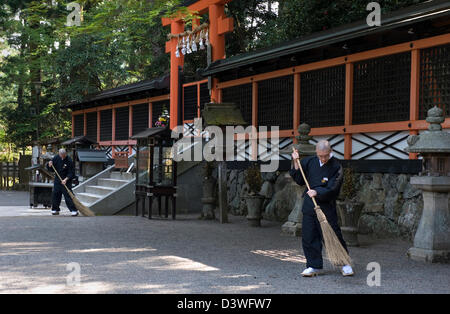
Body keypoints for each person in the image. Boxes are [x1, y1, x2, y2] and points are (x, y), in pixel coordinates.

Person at [290, 140, 353, 277]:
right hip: (310, 206)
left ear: (330, 152)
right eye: (320, 156)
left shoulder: (336, 166)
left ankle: (344, 263)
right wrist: (295, 162)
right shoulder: (310, 162)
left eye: (325, 155)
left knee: (333, 234)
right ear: (316, 153)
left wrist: (317, 192)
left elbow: (334, 187)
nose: (323, 158)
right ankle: (314, 265)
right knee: (309, 236)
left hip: (326, 206)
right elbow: (300, 180)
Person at [47, 148, 78, 216]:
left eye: (63, 155)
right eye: (61, 155)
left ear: (65, 154)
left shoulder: (69, 160)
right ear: (59, 154)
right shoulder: (56, 158)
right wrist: (49, 165)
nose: (62, 157)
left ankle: (74, 210)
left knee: (68, 195)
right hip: (58, 179)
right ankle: (55, 209)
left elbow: (71, 172)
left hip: (66, 180)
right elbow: (51, 169)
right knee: (56, 194)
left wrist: (66, 179)